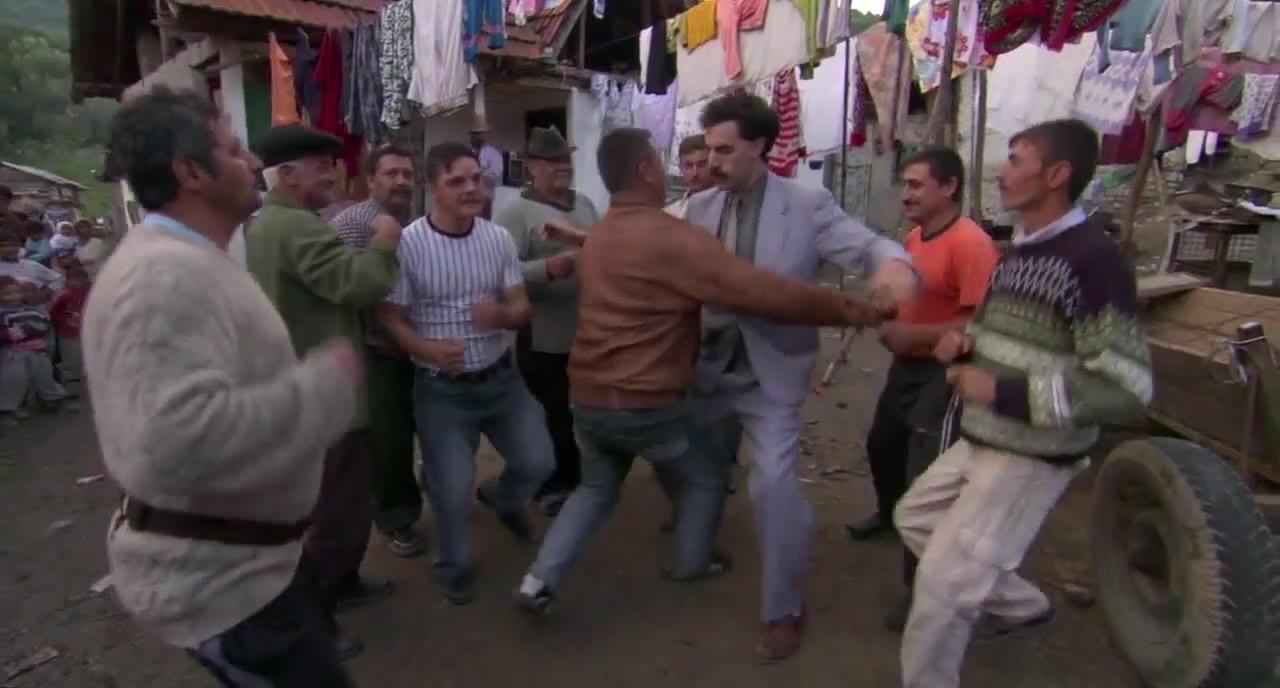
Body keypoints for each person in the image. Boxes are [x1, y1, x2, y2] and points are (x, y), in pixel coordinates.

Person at [513, 128, 888, 615]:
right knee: (706, 477)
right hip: (645, 404)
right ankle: (691, 563)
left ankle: (538, 580)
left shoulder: (603, 233)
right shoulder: (673, 238)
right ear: (646, 171)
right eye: (660, 161)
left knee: (596, 488)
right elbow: (763, 293)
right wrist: (853, 310)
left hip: (586, 398)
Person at [84, 86, 363, 687]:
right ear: (190, 172)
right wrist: (321, 390)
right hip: (226, 592)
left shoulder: (189, 260)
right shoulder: (161, 279)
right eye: (234, 150)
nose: (254, 162)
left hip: (250, 568)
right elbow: (177, 439)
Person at [894, 119, 1153, 688]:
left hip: (1032, 449)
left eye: (1015, 160)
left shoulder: (1095, 260)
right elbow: (1003, 331)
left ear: (1056, 175)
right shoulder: (1019, 250)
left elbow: (1125, 388)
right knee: (914, 517)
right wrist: (965, 341)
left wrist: (1002, 391)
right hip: (986, 434)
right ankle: (1023, 605)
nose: (1001, 173)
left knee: (940, 586)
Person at [680, 92, 918, 662]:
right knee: (697, 470)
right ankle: (698, 551)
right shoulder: (699, 208)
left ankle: (782, 609)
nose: (712, 162)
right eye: (708, 149)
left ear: (760, 146)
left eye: (724, 150)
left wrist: (893, 268)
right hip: (707, 368)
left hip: (771, 373)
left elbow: (869, 246)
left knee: (772, 487)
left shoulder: (808, 205)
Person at [245, 123, 401, 660]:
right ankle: (316, 623)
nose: (333, 173)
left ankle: (345, 583)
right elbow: (358, 285)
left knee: (336, 508)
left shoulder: (269, 224)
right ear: (287, 174)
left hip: (302, 388)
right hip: (326, 401)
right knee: (339, 516)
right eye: (320, 165)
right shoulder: (296, 227)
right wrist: (385, 241)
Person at [377, 142, 554, 607]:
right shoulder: (409, 244)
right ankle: (453, 566)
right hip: (441, 391)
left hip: (501, 379)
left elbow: (520, 305)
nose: (471, 188)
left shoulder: (496, 239)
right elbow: (391, 317)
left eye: (476, 178)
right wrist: (428, 349)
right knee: (451, 491)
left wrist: (502, 316)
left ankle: (504, 498)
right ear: (432, 187)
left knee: (540, 462)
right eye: (456, 181)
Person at [840, 147, 1000, 631]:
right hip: (907, 366)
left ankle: (922, 590)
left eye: (916, 185)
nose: (905, 194)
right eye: (904, 184)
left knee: (924, 476)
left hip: (944, 371)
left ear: (948, 187)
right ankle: (891, 517)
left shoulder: (971, 244)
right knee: (882, 444)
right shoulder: (914, 237)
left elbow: (982, 323)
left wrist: (915, 336)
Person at [492, 126, 602, 516]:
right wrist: (545, 269)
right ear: (532, 167)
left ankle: (572, 477)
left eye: (565, 159)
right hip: (541, 334)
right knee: (550, 411)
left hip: (587, 331)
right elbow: (498, 273)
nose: (562, 166)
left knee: (582, 410)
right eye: (552, 161)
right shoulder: (514, 213)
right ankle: (554, 484)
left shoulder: (584, 204)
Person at [331, 144, 426, 559]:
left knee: (425, 427)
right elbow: (355, 289)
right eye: (391, 173)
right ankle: (395, 518)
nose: (401, 181)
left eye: (407, 174)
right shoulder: (355, 223)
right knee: (389, 440)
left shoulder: (414, 222)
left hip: (413, 345)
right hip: (375, 348)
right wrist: (392, 336)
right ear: (371, 180)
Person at [50, 262, 91, 387]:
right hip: (67, 332)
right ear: (67, 280)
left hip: (85, 331)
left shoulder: (90, 292)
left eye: (81, 279)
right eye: (74, 279)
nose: (77, 282)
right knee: (70, 356)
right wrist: (59, 325)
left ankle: (85, 376)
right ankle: (71, 380)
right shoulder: (63, 295)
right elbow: (53, 311)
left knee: (84, 354)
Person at [665, 134, 715, 219]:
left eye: (701, 165)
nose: (694, 173)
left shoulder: (727, 208)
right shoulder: (670, 214)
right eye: (688, 165)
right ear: (680, 167)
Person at [471, 121, 504, 220]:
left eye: (477, 135)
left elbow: (496, 172)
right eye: (473, 135)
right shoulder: (470, 152)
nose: (474, 138)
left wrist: (480, 174)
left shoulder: (491, 152)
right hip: (474, 193)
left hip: (488, 192)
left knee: (485, 219)